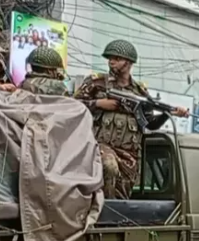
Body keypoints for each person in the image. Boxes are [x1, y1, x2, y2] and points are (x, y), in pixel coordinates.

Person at [74, 39, 189, 199]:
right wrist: (99, 103)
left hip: (129, 155)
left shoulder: (139, 92)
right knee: (109, 166)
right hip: (100, 147)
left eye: (116, 58)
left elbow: (150, 124)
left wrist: (166, 114)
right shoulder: (97, 83)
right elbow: (72, 105)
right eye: (110, 58)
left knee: (122, 198)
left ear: (128, 63)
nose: (111, 62)